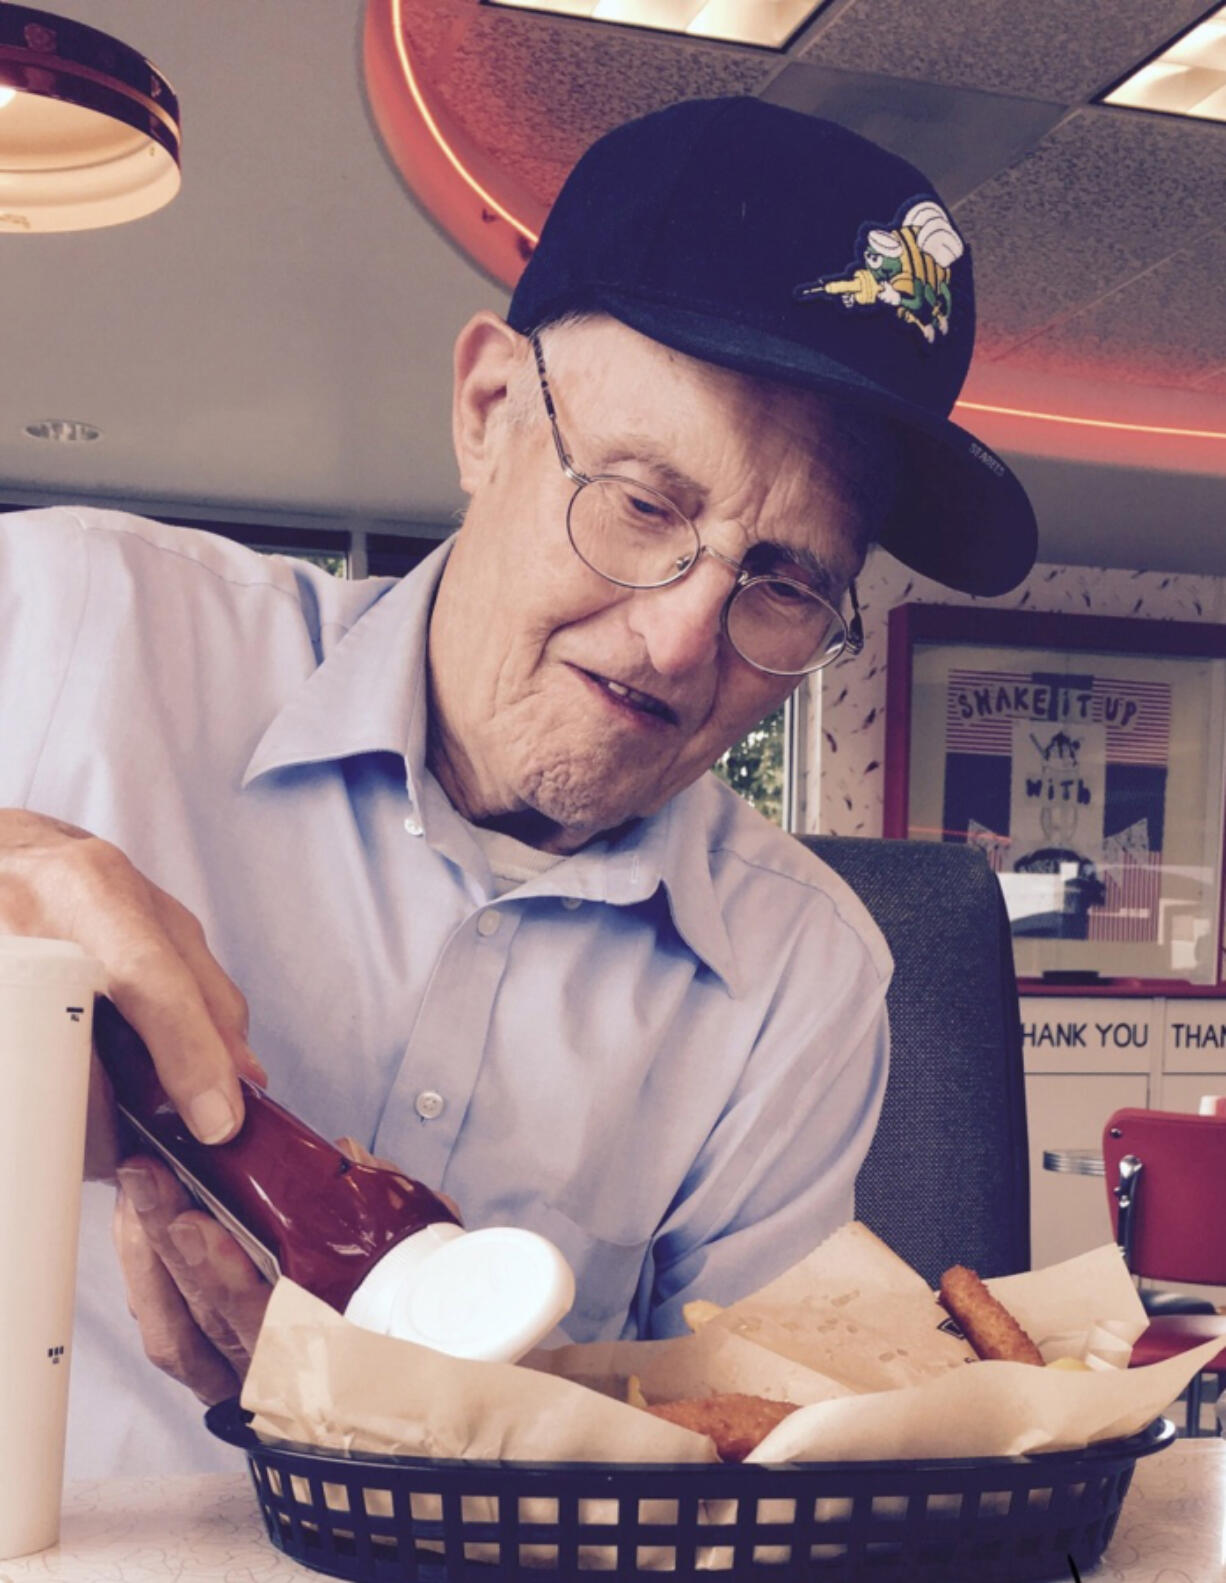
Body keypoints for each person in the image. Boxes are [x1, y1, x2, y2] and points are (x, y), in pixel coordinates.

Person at [0, 97, 1036, 1475]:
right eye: (643, 503)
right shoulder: (67, 619)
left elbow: (739, 1476)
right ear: (489, 413)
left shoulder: (802, 977)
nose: (679, 637)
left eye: (782, 582)